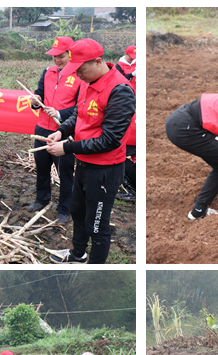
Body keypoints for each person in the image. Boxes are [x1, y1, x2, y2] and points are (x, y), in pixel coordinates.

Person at [46, 39, 136, 263]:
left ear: (98, 62)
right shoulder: (88, 82)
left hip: (104, 169)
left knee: (97, 225)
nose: (77, 76)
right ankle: (78, 253)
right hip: (84, 163)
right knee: (78, 212)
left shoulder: (120, 91)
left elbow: (110, 140)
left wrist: (66, 147)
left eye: (80, 70)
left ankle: (96, 268)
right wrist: (62, 131)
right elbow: (79, 113)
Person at [28, 36, 84, 224]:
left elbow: (79, 108)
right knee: (42, 167)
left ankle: (64, 209)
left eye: (61, 56)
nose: (57, 60)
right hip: (42, 128)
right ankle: (42, 199)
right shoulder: (48, 72)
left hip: (64, 132)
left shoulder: (79, 76)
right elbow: (40, 93)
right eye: (54, 56)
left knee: (65, 172)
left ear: (70, 54)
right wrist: (35, 101)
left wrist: (60, 114)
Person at [116, 45, 137, 201]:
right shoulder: (118, 67)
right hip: (126, 106)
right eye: (131, 56)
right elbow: (122, 81)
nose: (133, 58)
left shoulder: (138, 62)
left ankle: (135, 189)